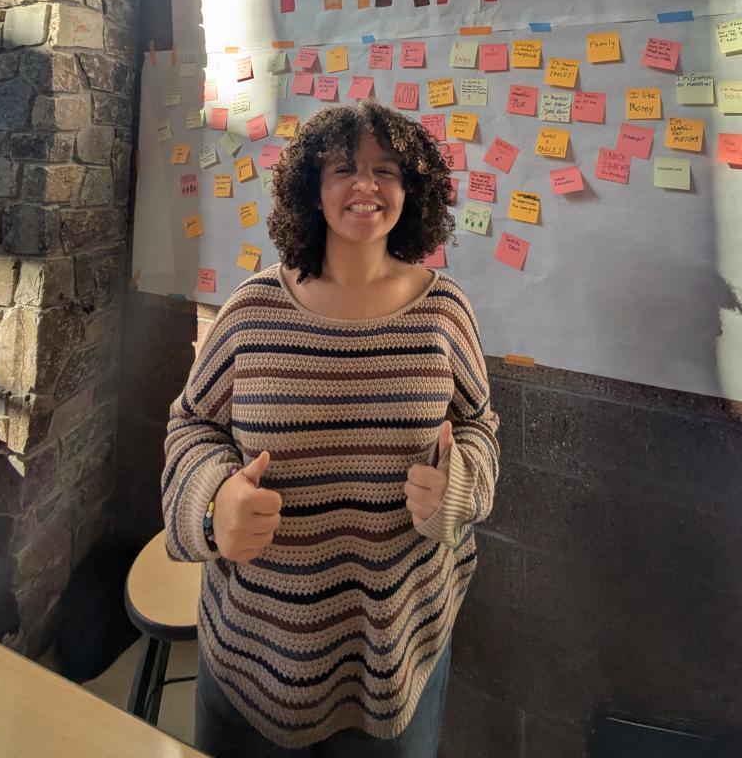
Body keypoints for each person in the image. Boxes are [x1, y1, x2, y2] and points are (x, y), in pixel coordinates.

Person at [162, 100, 500, 757]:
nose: (365, 184)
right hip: (254, 654)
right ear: (311, 190)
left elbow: (479, 426)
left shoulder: (444, 311)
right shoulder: (253, 309)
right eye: (343, 168)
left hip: (397, 652)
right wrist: (213, 503)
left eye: (386, 170)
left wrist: (457, 488)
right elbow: (192, 424)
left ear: (412, 189)